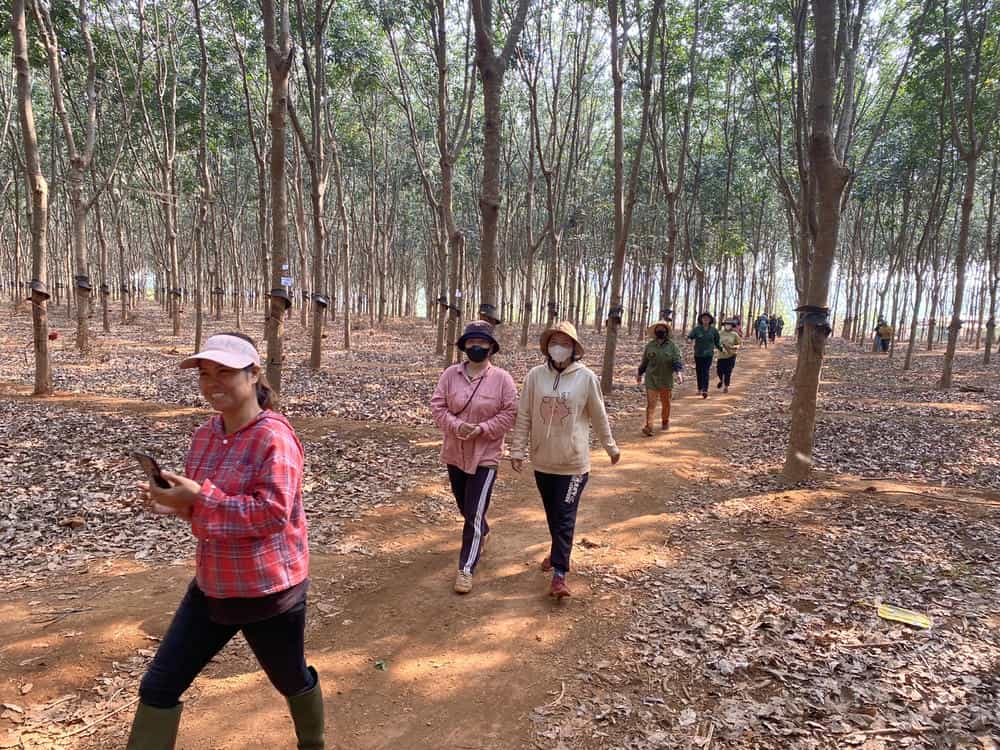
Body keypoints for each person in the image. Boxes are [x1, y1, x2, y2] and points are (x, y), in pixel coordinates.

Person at [128, 333, 324, 750]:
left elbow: (271, 514)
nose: (212, 382)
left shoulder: (275, 438)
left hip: (268, 593)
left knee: (291, 679)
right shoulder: (206, 435)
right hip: (212, 587)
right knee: (158, 688)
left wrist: (199, 498)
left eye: (225, 372)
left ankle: (314, 742)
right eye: (205, 374)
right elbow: (208, 511)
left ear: (254, 375)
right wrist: (173, 503)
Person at [510, 321, 621, 599]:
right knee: (552, 514)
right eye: (554, 342)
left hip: (573, 464)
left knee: (565, 517)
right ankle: (556, 551)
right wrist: (518, 450)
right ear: (547, 347)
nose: (559, 347)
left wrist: (610, 446)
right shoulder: (535, 376)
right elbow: (524, 415)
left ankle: (560, 573)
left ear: (574, 349)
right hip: (543, 461)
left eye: (565, 343)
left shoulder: (586, 378)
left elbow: (598, 415)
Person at [430, 321, 518, 594]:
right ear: (464, 345)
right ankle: (483, 530)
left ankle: (466, 568)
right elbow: (437, 406)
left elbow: (510, 413)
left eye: (482, 342)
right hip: (455, 453)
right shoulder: (450, 375)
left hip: (486, 454)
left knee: (474, 512)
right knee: (466, 507)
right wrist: (456, 427)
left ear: (491, 347)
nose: (476, 347)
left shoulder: (503, 379)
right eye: (471, 342)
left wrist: (482, 430)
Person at [637, 319, 684, 436]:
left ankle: (665, 421)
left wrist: (678, 373)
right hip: (651, 378)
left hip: (666, 379)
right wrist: (639, 374)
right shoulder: (650, 346)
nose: (660, 331)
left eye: (663, 330)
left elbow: (677, 361)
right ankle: (649, 426)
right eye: (658, 330)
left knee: (666, 403)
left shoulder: (672, 346)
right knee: (651, 404)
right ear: (655, 331)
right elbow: (645, 361)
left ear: (666, 332)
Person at [687, 312, 724, 399]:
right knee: (699, 371)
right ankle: (699, 388)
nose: (705, 320)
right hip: (698, 354)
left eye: (707, 318)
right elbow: (690, 336)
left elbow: (717, 342)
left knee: (705, 371)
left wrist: (722, 349)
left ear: (710, 320)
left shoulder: (713, 330)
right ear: (701, 320)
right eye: (704, 318)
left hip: (708, 354)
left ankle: (705, 390)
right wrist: (689, 340)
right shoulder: (697, 329)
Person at [716, 319, 742, 393]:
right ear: (724, 325)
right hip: (721, 356)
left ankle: (726, 386)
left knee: (728, 372)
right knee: (719, 371)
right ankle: (721, 380)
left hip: (731, 355)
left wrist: (734, 347)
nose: (727, 326)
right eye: (726, 324)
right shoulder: (720, 333)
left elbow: (739, 344)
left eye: (729, 324)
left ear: (732, 326)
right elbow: (716, 342)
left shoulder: (735, 334)